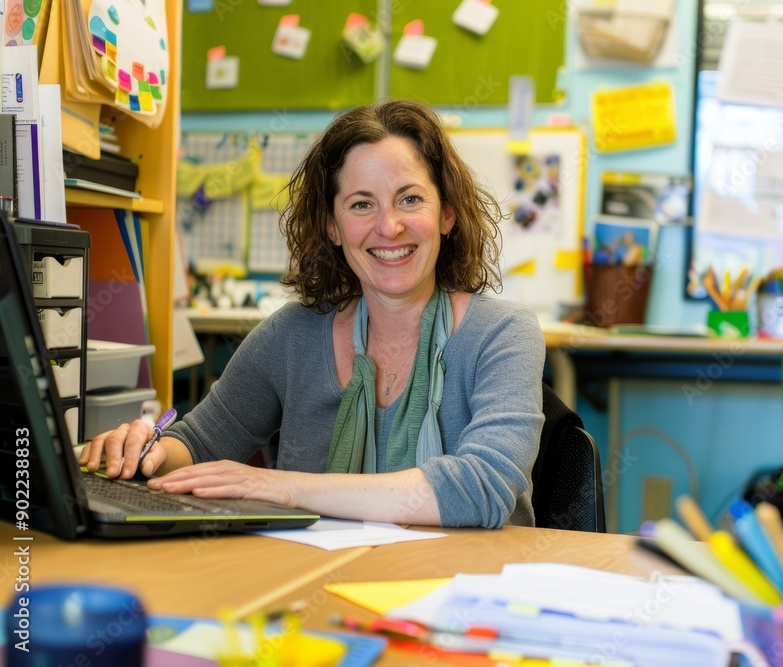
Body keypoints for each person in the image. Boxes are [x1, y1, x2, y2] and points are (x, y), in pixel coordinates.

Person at [80, 99, 546, 528]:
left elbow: (481, 489)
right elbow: (199, 445)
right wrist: (142, 452)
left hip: (466, 600)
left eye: (410, 199)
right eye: (361, 204)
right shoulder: (292, 336)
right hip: (321, 589)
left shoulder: (503, 334)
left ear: (446, 215)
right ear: (333, 226)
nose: (389, 226)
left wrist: (281, 487)